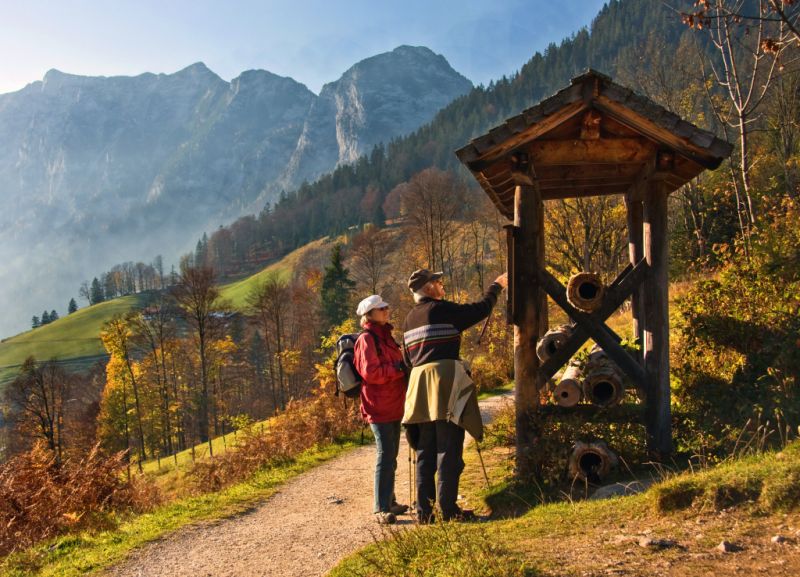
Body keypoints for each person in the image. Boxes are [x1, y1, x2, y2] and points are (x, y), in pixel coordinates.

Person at [402, 268, 508, 523]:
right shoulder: (441, 309)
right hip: (445, 381)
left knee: (426, 450)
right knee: (449, 446)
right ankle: (449, 511)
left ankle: (425, 513)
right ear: (428, 289)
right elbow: (479, 310)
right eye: (438, 283)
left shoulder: (408, 320)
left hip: (418, 385)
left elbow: (407, 360)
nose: (442, 286)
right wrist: (497, 286)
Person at [353, 294, 409, 525]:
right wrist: (398, 368)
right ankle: (380, 507)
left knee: (391, 456)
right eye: (381, 308)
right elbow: (372, 373)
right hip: (379, 406)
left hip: (393, 404)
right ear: (369, 314)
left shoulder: (386, 336)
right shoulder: (367, 340)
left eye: (386, 306)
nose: (386, 309)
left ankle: (390, 501)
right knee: (385, 456)